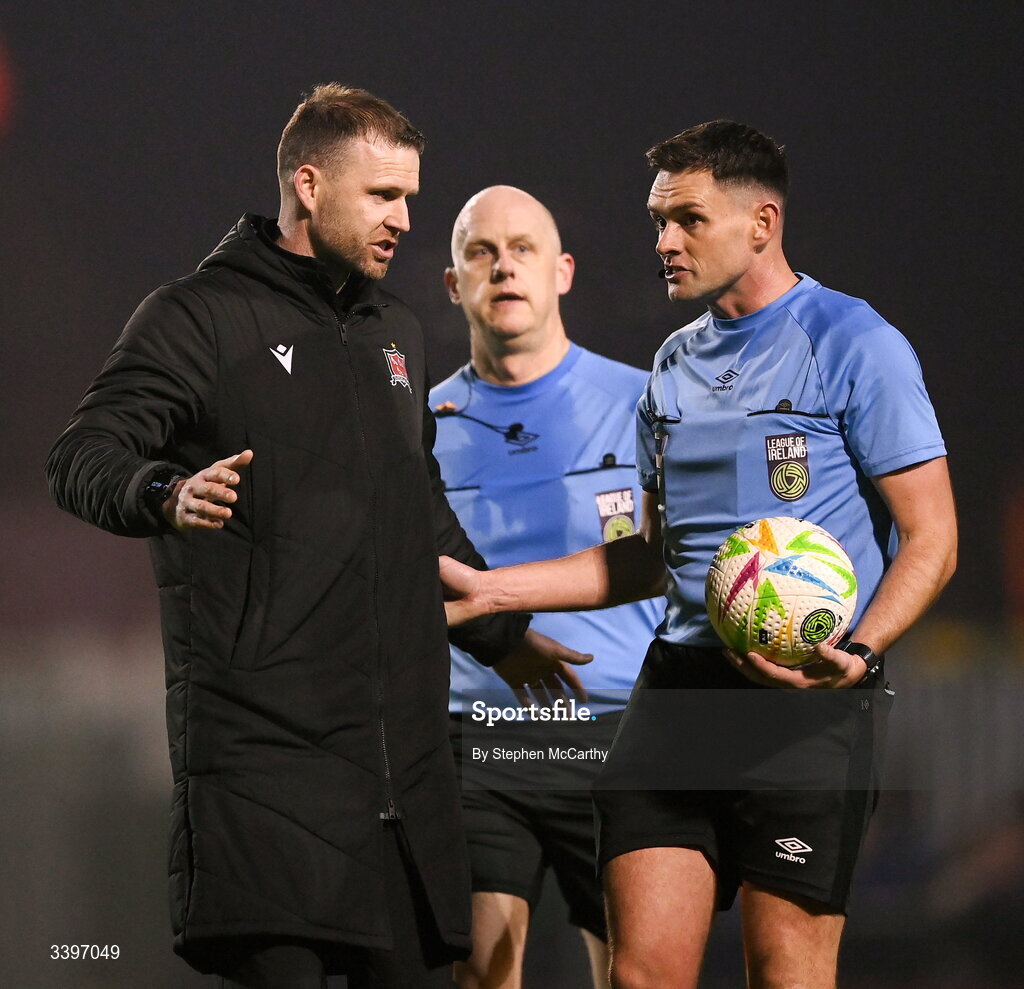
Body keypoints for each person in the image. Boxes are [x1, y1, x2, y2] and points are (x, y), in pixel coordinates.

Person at [44, 84, 585, 989]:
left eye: (410, 197)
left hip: (400, 789)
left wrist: (502, 628)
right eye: (383, 196)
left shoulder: (398, 332)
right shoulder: (197, 317)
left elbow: (423, 514)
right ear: (308, 184)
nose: (406, 220)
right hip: (266, 775)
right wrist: (164, 491)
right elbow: (81, 455)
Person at [440, 120, 958, 989]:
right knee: (640, 975)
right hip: (679, 690)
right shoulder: (673, 365)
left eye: (687, 219)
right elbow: (648, 559)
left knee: (784, 968)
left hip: (806, 701)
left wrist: (859, 652)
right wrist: (496, 592)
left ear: (762, 222)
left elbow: (932, 536)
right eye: (657, 221)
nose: (664, 242)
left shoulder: (853, 341)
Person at [431, 186, 663, 988]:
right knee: (484, 973)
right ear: (453, 283)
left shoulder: (646, 402)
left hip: (619, 734)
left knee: (634, 974)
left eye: (523, 248)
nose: (504, 266)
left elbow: (685, 557)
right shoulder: (417, 426)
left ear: (562, 271)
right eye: (481, 251)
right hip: (480, 734)